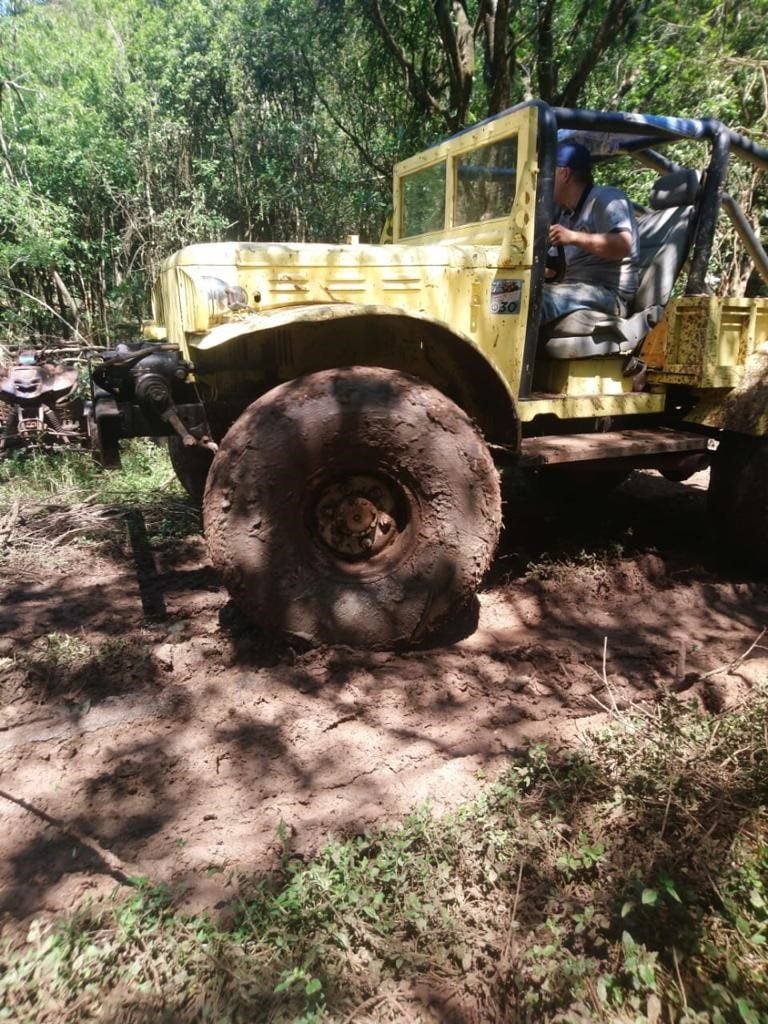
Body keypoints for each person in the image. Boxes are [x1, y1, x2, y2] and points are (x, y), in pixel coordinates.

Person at [541, 141, 639, 326]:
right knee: (511, 293)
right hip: (573, 286)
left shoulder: (607, 198)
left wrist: (573, 237)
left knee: (531, 302)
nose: (543, 181)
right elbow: (555, 270)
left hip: (609, 293)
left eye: (548, 173)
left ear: (564, 174)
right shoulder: (565, 214)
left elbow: (624, 244)